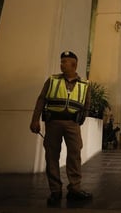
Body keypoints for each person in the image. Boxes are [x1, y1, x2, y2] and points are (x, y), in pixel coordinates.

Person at [30, 51, 93, 206]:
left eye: (65, 61)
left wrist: (81, 119)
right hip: (53, 123)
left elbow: (86, 104)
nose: (62, 63)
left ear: (74, 64)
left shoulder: (85, 84)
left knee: (74, 155)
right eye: (61, 61)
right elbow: (41, 99)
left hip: (73, 124)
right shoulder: (52, 80)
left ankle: (75, 189)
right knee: (52, 156)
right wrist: (35, 120)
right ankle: (55, 191)